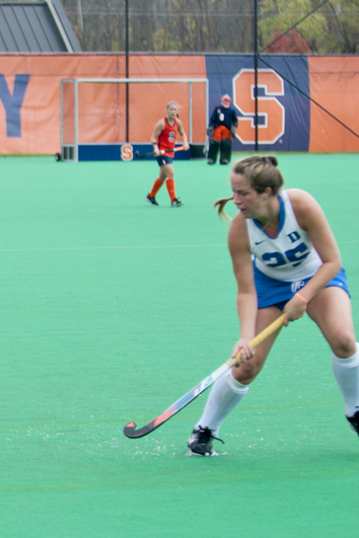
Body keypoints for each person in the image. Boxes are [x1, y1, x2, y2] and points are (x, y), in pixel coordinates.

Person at [188, 155, 357, 456]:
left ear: (266, 192)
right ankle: (204, 430)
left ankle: (355, 410)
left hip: (317, 277)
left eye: (243, 193)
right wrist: (243, 337)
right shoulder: (240, 230)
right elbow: (246, 291)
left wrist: (303, 298)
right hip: (269, 286)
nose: (235, 200)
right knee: (247, 366)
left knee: (344, 341)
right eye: (233, 191)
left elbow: (333, 262)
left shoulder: (301, 205)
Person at [145, 101, 190, 208]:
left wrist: (185, 142)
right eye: (171, 109)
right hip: (161, 152)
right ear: (167, 111)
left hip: (170, 152)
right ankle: (173, 200)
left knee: (162, 176)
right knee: (170, 172)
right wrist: (155, 148)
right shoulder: (161, 123)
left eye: (175, 110)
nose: (173, 112)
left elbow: (183, 134)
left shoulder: (178, 123)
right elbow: (153, 138)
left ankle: (151, 196)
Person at [206, 94, 238, 165]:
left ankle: (225, 159)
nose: (226, 102)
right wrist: (211, 126)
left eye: (227, 101)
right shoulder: (217, 109)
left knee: (226, 144)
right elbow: (212, 118)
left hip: (227, 130)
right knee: (214, 143)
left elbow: (235, 120)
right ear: (222, 101)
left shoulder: (232, 111)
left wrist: (234, 126)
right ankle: (211, 158)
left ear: (229, 102)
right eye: (225, 101)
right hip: (217, 128)